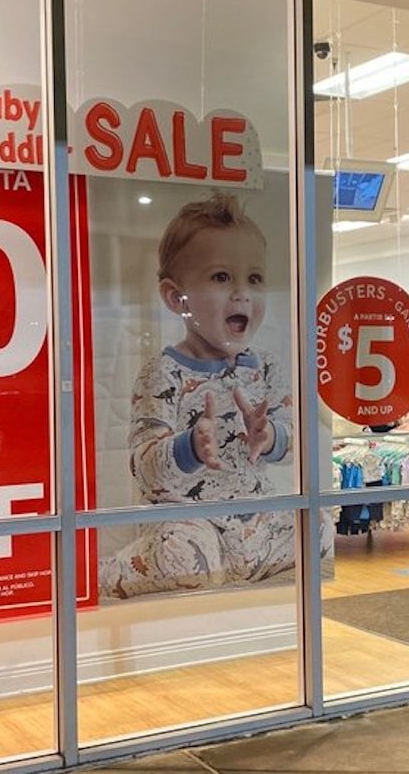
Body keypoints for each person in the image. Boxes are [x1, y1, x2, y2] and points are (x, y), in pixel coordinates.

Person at [99, 192, 300, 599]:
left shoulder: (265, 367)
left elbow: (292, 443)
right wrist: (189, 446)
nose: (241, 293)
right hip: (187, 518)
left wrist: (271, 436)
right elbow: (145, 468)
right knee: (185, 555)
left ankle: (237, 567)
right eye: (222, 277)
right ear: (177, 298)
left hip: (252, 515)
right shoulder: (162, 372)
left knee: (318, 529)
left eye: (254, 278)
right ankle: (113, 572)